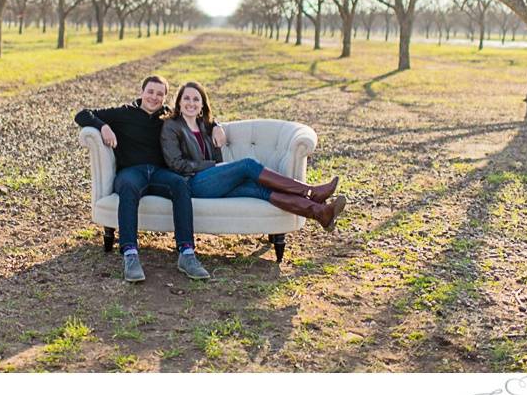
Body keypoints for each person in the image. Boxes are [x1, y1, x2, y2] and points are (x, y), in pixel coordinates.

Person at [75, 75, 224, 283]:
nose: (154, 97)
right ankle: (130, 254)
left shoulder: (168, 116)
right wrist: (104, 126)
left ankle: (187, 253)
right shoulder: (123, 113)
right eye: (150, 92)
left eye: (160, 94)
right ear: (142, 92)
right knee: (127, 186)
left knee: (180, 184)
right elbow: (82, 115)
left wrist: (216, 125)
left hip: (159, 173)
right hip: (131, 172)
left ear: (165, 97)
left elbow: (198, 117)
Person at [160, 81, 346, 229]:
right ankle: (311, 192)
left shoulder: (203, 124)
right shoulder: (172, 126)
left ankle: (320, 212)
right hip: (192, 183)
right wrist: (210, 166)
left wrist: (217, 126)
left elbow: (212, 122)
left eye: (196, 99)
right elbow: (176, 164)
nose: (191, 103)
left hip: (215, 182)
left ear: (202, 105)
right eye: (187, 98)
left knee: (260, 190)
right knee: (247, 165)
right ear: (179, 102)